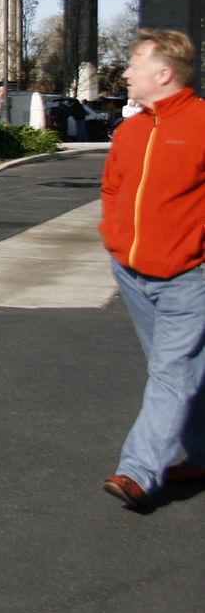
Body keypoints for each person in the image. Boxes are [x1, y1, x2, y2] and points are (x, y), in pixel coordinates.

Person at [98, 28, 205, 511]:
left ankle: (138, 471)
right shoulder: (131, 129)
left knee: (170, 372)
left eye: (134, 64)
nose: (125, 73)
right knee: (179, 372)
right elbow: (114, 189)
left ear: (163, 74)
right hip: (132, 273)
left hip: (189, 277)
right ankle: (201, 455)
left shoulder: (201, 123)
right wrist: (114, 236)